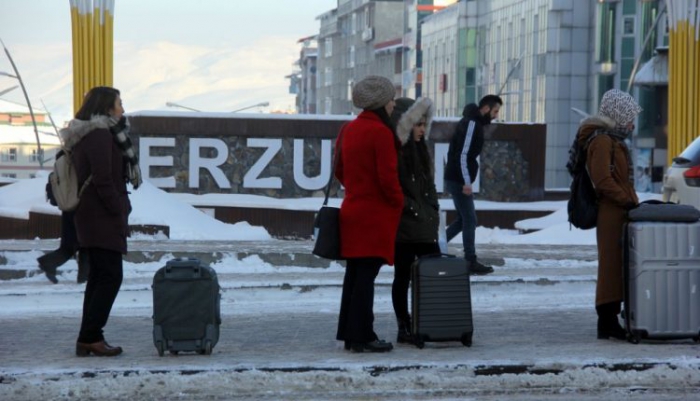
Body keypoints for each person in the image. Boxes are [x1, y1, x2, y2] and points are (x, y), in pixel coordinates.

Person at [61, 86, 142, 357]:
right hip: (100, 216)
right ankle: (90, 336)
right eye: (119, 102)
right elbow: (103, 178)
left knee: (99, 277)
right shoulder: (99, 135)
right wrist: (118, 209)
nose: (122, 107)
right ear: (107, 107)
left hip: (94, 214)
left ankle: (89, 336)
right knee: (110, 277)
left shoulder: (96, 133)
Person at [335, 76, 404, 353]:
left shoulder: (348, 130)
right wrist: (397, 202)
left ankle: (351, 334)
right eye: (390, 99)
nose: (393, 104)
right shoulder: (380, 133)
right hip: (374, 216)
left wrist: (355, 187)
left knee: (354, 276)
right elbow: (388, 178)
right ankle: (363, 335)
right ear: (380, 103)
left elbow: (339, 170)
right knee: (365, 278)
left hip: (352, 211)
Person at [574, 88, 640, 340]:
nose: (632, 122)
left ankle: (612, 318)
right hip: (612, 211)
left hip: (620, 210)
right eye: (629, 116)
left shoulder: (612, 139)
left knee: (618, 265)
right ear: (617, 114)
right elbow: (603, 180)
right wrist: (627, 200)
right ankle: (607, 320)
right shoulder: (601, 141)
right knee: (611, 266)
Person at [389, 97, 440, 344]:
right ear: (406, 125)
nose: (421, 129)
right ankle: (404, 326)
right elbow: (396, 192)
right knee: (402, 278)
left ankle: (430, 321)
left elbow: (429, 188)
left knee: (434, 274)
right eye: (417, 124)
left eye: (424, 124)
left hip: (426, 227)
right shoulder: (398, 155)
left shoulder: (423, 152)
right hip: (405, 229)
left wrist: (432, 210)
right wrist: (418, 210)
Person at [444, 95, 503, 275]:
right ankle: (470, 260)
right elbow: (463, 155)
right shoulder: (471, 124)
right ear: (485, 108)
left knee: (464, 219)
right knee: (470, 219)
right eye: (495, 111)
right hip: (458, 179)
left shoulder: (472, 123)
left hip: (456, 177)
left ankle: (433, 248)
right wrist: (466, 182)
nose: (496, 115)